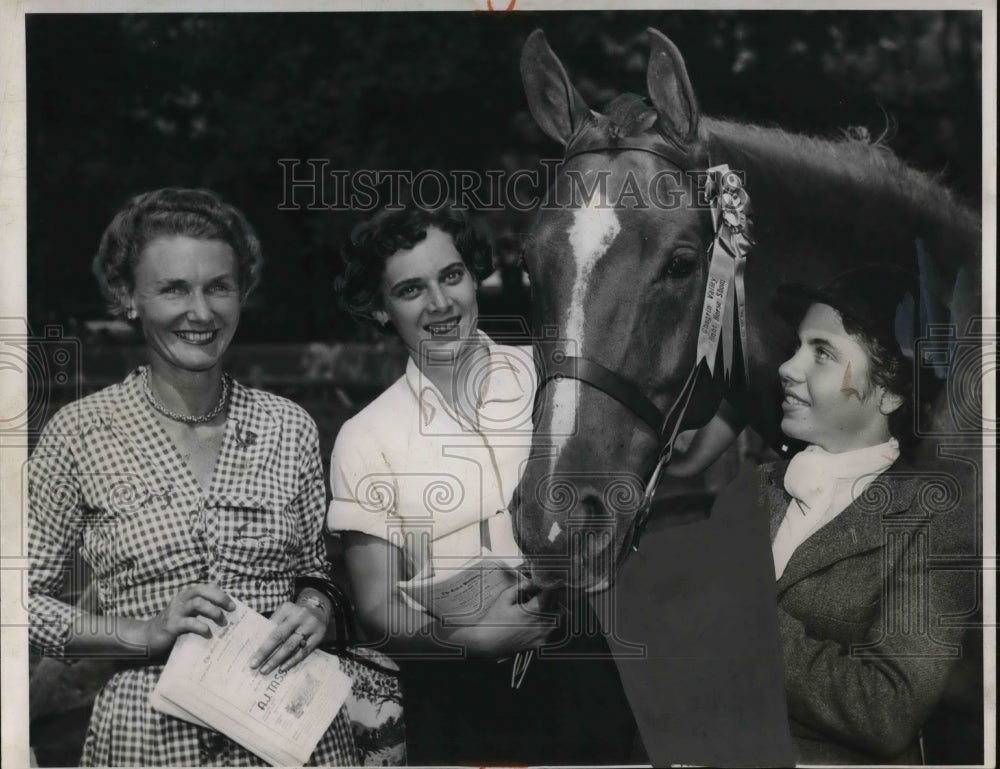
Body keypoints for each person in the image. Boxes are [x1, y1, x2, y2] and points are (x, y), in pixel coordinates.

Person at [28, 188, 403, 766]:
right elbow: (19, 603)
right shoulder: (78, 433)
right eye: (174, 288)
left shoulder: (289, 427)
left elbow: (315, 573)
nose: (200, 312)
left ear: (241, 293)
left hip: (290, 737)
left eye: (218, 287)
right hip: (147, 740)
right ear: (128, 297)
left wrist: (316, 609)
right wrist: (141, 632)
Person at [327, 202, 639, 765]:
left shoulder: (551, 378)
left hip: (585, 665)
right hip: (459, 697)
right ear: (378, 309)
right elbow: (375, 605)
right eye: (410, 290)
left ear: (475, 275)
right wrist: (465, 642)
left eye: (451, 276)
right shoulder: (365, 435)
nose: (441, 304)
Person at [754, 264, 976, 763]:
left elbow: (886, 710)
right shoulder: (756, 484)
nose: (788, 368)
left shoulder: (936, 521)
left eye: (823, 353)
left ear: (890, 392)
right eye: (795, 347)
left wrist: (743, 618)